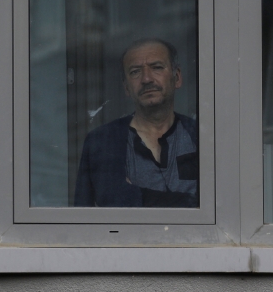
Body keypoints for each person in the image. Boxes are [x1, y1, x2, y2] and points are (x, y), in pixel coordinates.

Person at [74, 38, 198, 208]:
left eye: (156, 68)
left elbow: (220, 208)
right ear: (126, 87)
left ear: (176, 77)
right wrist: (187, 201)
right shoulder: (102, 142)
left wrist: (136, 195)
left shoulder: (199, 137)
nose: (146, 79)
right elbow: (98, 209)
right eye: (135, 72)